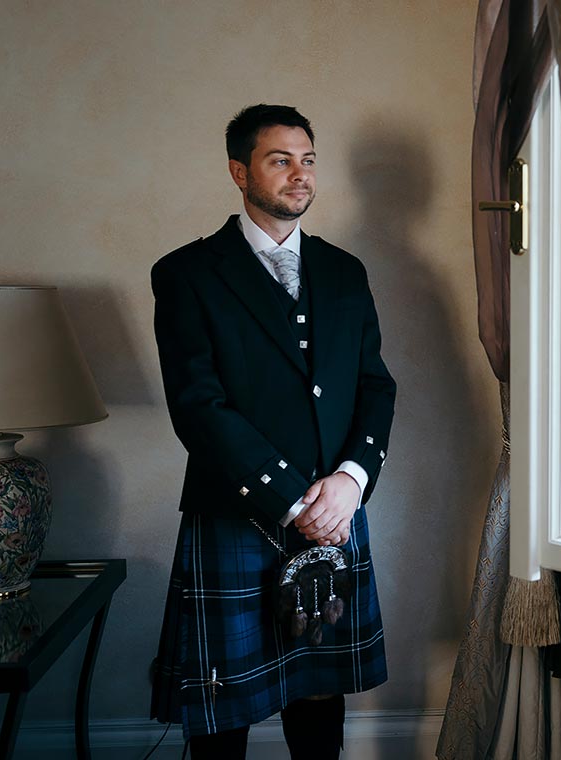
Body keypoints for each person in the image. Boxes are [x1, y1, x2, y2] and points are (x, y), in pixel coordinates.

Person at [149, 103, 397, 759]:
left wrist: (349, 483)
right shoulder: (187, 274)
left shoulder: (346, 272)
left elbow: (376, 386)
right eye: (279, 159)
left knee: (318, 695)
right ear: (239, 171)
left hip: (336, 511)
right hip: (237, 512)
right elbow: (199, 405)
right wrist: (294, 502)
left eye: (307, 159)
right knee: (222, 702)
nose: (299, 174)